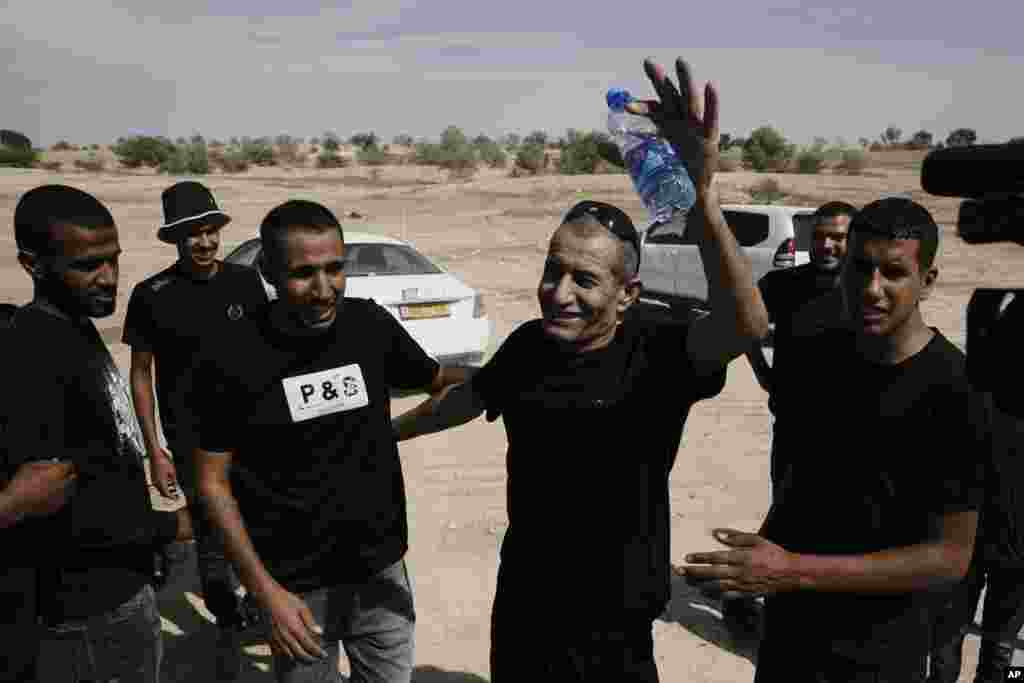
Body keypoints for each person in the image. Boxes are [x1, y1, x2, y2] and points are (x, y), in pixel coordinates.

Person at [391, 57, 771, 682]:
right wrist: (387, 432)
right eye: (552, 270)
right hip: (526, 603)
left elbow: (747, 325)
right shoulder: (530, 346)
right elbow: (470, 397)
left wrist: (704, 191)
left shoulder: (659, 348)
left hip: (614, 619)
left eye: (585, 279)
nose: (558, 292)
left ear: (627, 293)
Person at [681, 197, 986, 682]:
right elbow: (804, 483)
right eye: (860, 269)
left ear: (927, 281)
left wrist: (791, 570)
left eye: (894, 273)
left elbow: (950, 556)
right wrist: (749, 565)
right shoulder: (816, 358)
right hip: (788, 642)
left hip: (879, 655)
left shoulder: (957, 392)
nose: (872, 289)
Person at [192, 199, 473, 683]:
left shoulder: (368, 325)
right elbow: (211, 483)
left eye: (335, 269)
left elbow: (437, 378)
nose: (324, 290)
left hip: (380, 569)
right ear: (269, 272)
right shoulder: (229, 355)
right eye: (304, 274)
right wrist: (264, 593)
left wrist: (513, 372)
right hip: (295, 583)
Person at [5, 184, 192, 682]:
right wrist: (170, 528)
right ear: (33, 265)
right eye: (88, 265)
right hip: (85, 619)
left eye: (113, 260)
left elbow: (101, 464)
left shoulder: (74, 325)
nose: (109, 278)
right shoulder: (33, 356)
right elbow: (59, 505)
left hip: (122, 594)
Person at [122, 180, 268, 679]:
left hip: (254, 429)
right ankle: (226, 617)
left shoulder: (245, 284)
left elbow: (270, 355)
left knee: (265, 514)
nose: (204, 243)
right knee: (209, 530)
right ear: (175, 240)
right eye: (192, 235)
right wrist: (153, 448)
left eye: (210, 232)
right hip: (192, 438)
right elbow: (141, 373)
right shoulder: (151, 295)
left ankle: (261, 601)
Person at [724, 200, 857, 637]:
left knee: (836, 519)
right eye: (818, 236)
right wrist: (763, 373)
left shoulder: (864, 289)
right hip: (796, 426)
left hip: (851, 429)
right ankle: (743, 592)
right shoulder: (784, 284)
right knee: (788, 512)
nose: (826, 245)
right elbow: (742, 322)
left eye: (837, 236)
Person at [927, 292, 1024, 683]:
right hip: (986, 547)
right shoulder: (972, 394)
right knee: (991, 656)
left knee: (949, 651)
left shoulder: (970, 391)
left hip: (974, 545)